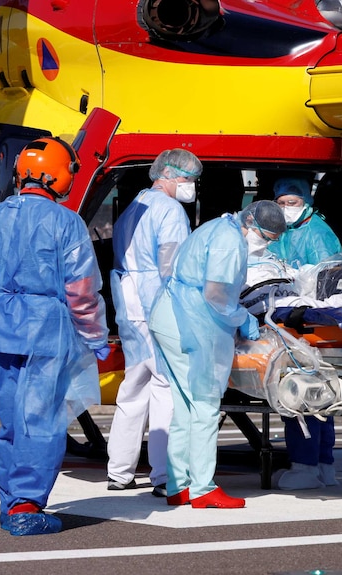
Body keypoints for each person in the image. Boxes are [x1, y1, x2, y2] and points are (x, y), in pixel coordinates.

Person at [0, 137, 110, 535]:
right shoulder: (66, 222)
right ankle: (27, 506)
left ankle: (11, 502)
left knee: (11, 421)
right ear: (60, 175)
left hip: (1, 329)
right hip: (47, 332)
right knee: (41, 422)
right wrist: (96, 336)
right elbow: (81, 289)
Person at [149, 201, 284, 508]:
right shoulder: (229, 241)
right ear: (251, 223)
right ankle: (202, 489)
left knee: (185, 406)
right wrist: (243, 319)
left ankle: (178, 485)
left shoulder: (217, 226)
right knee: (206, 404)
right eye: (266, 237)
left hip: (170, 317)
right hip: (190, 322)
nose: (265, 244)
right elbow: (216, 295)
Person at [106, 149, 202, 498]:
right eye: (190, 180)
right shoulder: (170, 211)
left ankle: (119, 471)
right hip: (157, 305)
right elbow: (173, 268)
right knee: (166, 387)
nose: (192, 186)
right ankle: (165, 475)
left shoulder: (135, 206)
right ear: (173, 175)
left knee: (133, 388)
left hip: (128, 305)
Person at [267, 178, 342, 491]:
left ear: (306, 200)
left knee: (300, 391)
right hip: (301, 319)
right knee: (320, 393)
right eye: (281, 203)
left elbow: (329, 277)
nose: (286, 209)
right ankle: (323, 464)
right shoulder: (286, 233)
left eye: (292, 202)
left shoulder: (318, 233)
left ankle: (306, 465)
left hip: (310, 320)